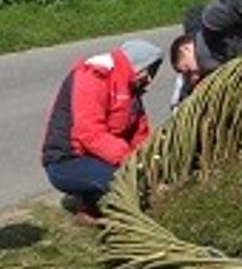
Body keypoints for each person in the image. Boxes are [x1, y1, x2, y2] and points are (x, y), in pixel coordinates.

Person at [41, 39, 163, 225]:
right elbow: (89, 132)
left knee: (140, 179)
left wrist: (150, 161)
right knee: (125, 182)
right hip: (66, 160)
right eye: (150, 72)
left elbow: (140, 133)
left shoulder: (130, 88)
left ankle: (92, 205)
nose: (150, 81)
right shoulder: (94, 76)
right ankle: (96, 207)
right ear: (139, 67)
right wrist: (131, 160)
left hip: (97, 158)